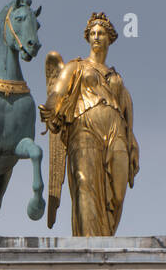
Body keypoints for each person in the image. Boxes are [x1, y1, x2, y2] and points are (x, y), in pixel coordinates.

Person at [39, 12, 139, 236]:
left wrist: (133, 143)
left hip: (116, 131)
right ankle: (89, 243)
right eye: (92, 33)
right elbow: (58, 92)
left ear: (109, 38)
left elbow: (127, 113)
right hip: (84, 128)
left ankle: (105, 237)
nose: (96, 37)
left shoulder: (116, 78)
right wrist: (50, 108)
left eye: (101, 33)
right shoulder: (76, 67)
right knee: (84, 183)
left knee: (118, 193)